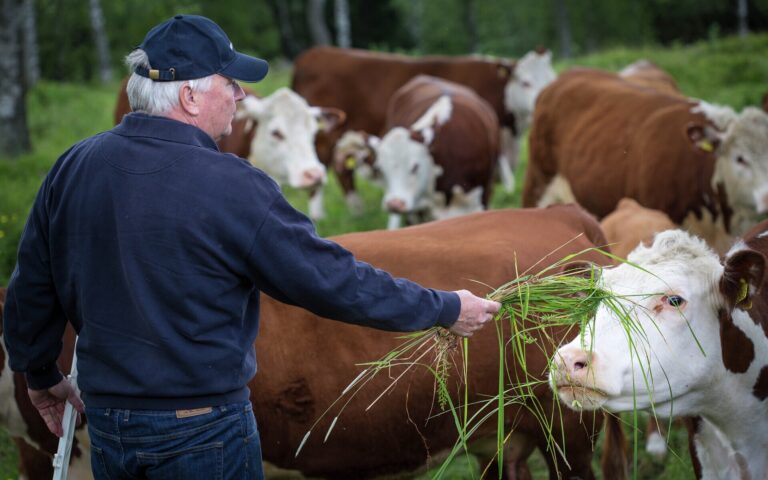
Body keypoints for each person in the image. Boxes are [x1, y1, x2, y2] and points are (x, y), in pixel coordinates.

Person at [2, 14, 500, 480]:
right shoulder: (232, 185)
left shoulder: (74, 166)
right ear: (191, 98)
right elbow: (332, 281)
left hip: (109, 424)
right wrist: (444, 307)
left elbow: (32, 286)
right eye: (230, 83)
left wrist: (40, 373)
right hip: (203, 430)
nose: (241, 96)